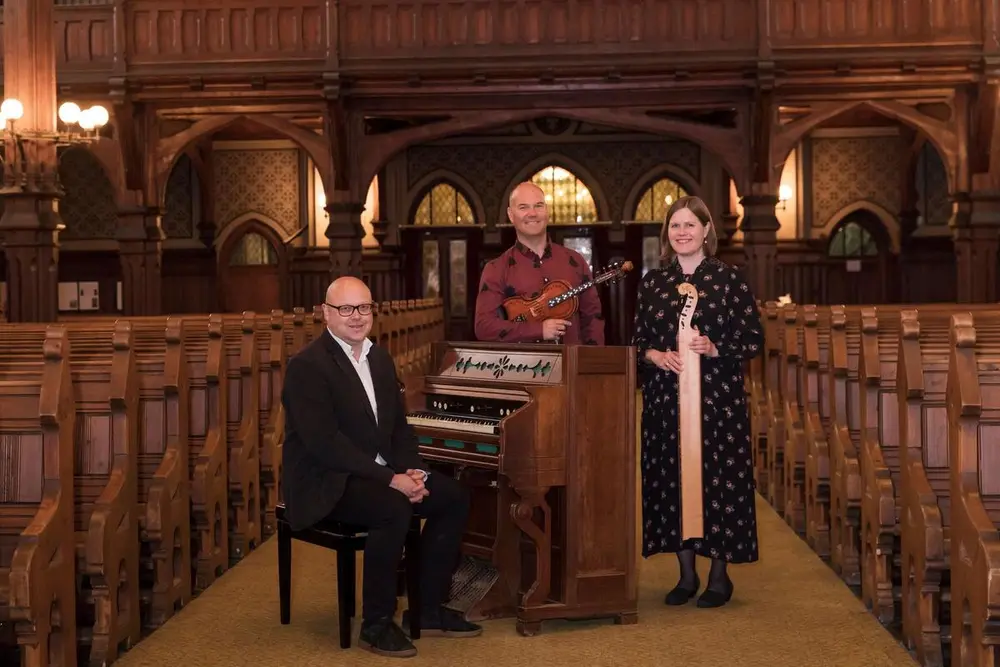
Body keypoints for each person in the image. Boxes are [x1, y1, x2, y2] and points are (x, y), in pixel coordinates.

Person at [281, 276, 482, 658]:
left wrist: (415, 473)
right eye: (346, 308)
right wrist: (393, 480)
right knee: (393, 508)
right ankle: (376, 624)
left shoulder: (379, 357)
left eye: (364, 307)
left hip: (378, 472)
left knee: (453, 497)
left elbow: (397, 429)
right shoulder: (306, 366)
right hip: (327, 480)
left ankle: (427, 608)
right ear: (326, 313)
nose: (356, 317)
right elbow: (326, 446)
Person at [631, 195, 763, 609]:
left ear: (707, 230)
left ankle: (719, 577)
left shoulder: (729, 280)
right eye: (675, 226)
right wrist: (654, 355)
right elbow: (637, 342)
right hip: (665, 402)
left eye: (690, 224)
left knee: (718, 480)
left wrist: (715, 347)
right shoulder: (654, 282)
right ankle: (685, 575)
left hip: (718, 403)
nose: (683, 232)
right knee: (671, 480)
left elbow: (754, 340)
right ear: (667, 234)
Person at [474, 181, 605, 344]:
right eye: (523, 207)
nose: (532, 213)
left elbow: (593, 318)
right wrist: (538, 330)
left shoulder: (576, 261)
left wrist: (591, 363)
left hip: (572, 365)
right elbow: (484, 327)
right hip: (524, 368)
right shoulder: (496, 269)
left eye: (538, 205)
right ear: (510, 214)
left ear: (547, 211)